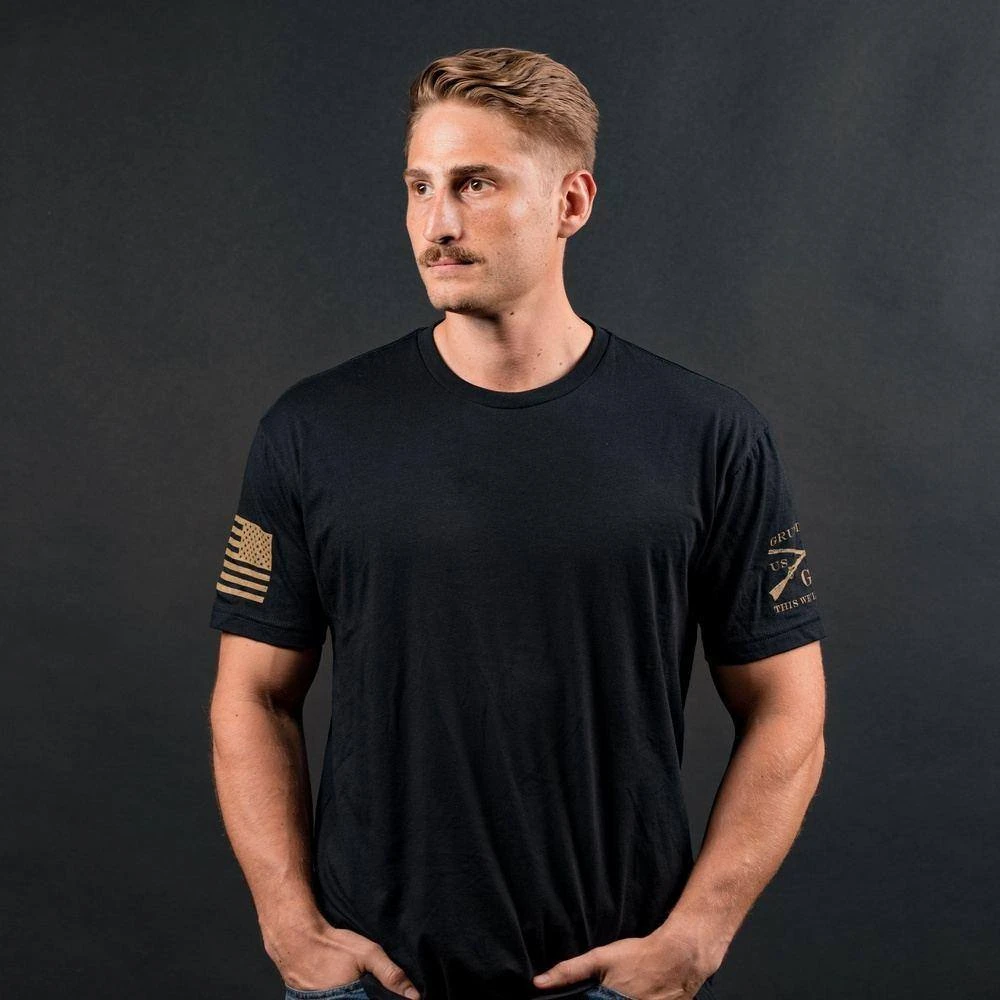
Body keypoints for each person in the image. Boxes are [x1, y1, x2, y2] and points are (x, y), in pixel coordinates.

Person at [208, 46, 827, 1000]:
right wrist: (291, 927)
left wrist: (699, 934)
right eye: (419, 186)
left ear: (571, 202)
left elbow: (790, 706)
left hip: (615, 979)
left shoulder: (708, 433)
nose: (438, 223)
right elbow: (250, 695)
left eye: (476, 184)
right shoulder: (312, 430)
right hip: (373, 980)